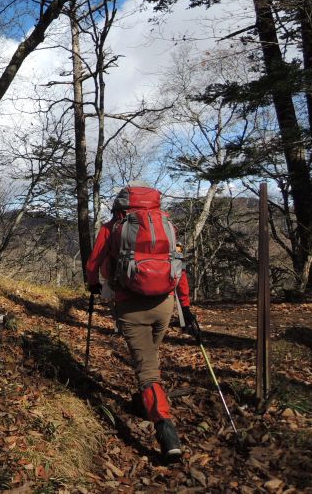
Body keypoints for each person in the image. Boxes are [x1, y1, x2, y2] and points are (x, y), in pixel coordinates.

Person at [86, 184, 197, 458]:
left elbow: (93, 263)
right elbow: (178, 266)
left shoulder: (112, 227)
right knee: (149, 358)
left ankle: (164, 427)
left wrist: (94, 285)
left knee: (147, 369)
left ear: (121, 204)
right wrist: (185, 305)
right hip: (164, 304)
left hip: (130, 305)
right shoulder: (166, 224)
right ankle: (142, 400)